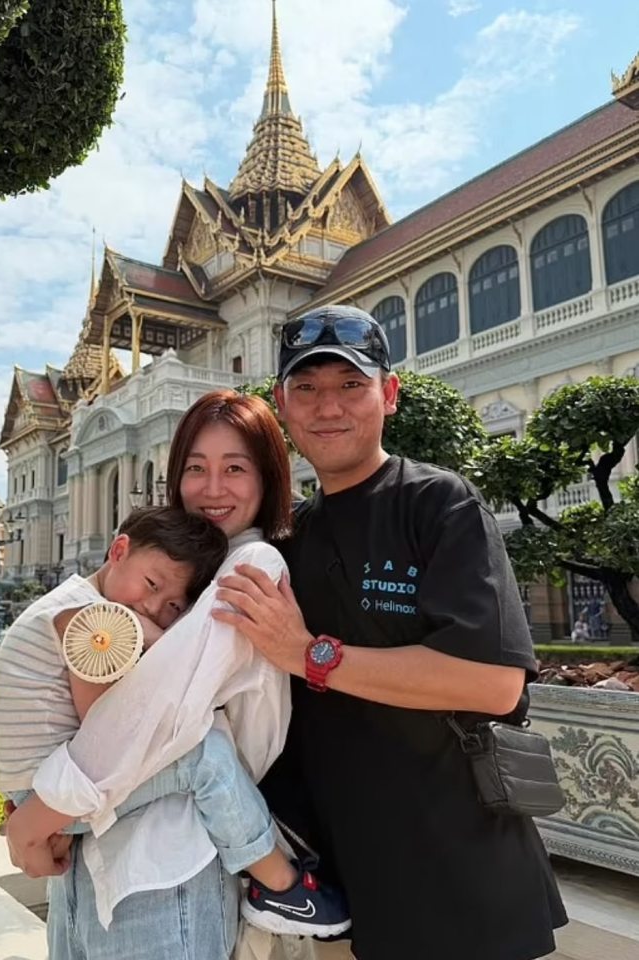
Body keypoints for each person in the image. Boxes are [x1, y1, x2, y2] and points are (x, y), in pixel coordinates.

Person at [213, 305, 568, 960]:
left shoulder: (437, 503)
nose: (328, 408)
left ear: (389, 394)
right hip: (335, 876)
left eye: (351, 385)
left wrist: (308, 654)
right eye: (307, 389)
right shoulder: (283, 540)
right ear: (282, 409)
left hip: (456, 867)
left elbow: (489, 684)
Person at [3, 390, 347, 960]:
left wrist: (35, 818)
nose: (212, 489)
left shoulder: (252, 567)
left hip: (163, 868)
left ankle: (285, 885)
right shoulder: (184, 568)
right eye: (195, 468)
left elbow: (155, 707)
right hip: (90, 861)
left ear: (268, 479)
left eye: (235, 468)